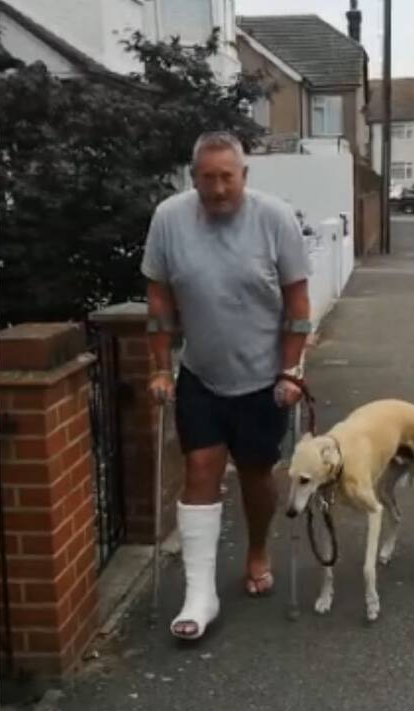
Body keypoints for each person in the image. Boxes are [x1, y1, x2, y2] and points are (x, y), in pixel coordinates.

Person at [142, 131, 312, 640]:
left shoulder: (274, 218)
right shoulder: (169, 219)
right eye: (207, 178)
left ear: (244, 176)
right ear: (193, 178)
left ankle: (257, 550)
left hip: (263, 377)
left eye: (227, 178)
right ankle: (200, 594)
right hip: (202, 373)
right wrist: (158, 366)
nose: (218, 189)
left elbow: (298, 303)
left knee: (258, 475)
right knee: (199, 467)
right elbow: (158, 301)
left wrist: (291, 370)